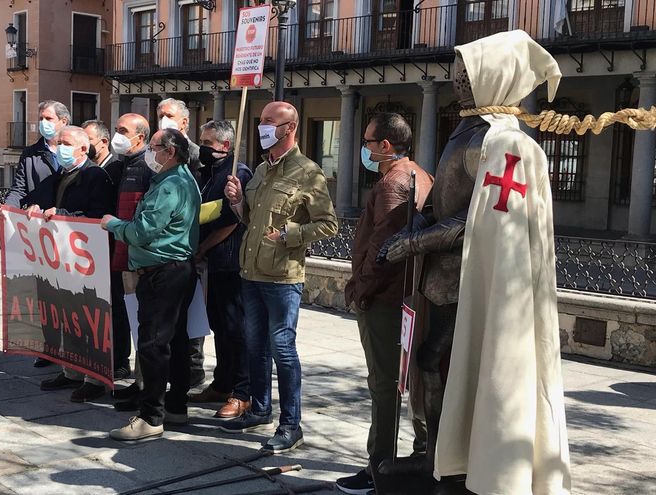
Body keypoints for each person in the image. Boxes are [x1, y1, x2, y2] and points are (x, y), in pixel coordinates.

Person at [383, 30, 572, 494]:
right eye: (458, 70)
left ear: (497, 75)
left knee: (452, 364)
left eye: (470, 71)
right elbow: (449, 202)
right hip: (444, 276)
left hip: (475, 277)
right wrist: (419, 221)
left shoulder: (505, 142)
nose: (458, 79)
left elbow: (481, 223)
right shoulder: (466, 129)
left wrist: (415, 243)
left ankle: (462, 463)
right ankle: (437, 455)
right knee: (432, 363)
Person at [221, 101, 337, 454]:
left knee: (282, 349)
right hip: (251, 272)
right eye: (260, 122)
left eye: (270, 122)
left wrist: (289, 235)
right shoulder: (260, 169)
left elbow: (328, 224)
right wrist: (239, 202)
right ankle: (259, 408)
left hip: (283, 278)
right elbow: (250, 220)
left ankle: (291, 425)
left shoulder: (308, 171)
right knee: (254, 346)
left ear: (290, 128)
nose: (262, 127)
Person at [336, 113, 434, 494]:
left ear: (386, 146)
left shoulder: (394, 183)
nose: (365, 148)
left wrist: (360, 288)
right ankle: (420, 458)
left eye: (368, 142)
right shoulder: (418, 175)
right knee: (412, 384)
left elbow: (384, 249)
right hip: (409, 297)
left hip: (386, 300)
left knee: (384, 383)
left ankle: (380, 469)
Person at [104, 128, 201, 441]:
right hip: (174, 269)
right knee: (175, 341)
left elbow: (141, 231)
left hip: (163, 272)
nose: (149, 151)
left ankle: (150, 417)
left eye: (154, 146)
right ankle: (175, 406)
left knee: (153, 345)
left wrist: (113, 224)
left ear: (169, 152)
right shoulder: (180, 179)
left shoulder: (171, 184)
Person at [25, 125, 114, 397]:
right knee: (68, 318)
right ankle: (72, 372)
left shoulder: (95, 176)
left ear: (83, 149)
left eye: (65, 143)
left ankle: (95, 380)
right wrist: (35, 207)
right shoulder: (60, 174)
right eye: (58, 143)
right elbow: (39, 200)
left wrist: (62, 213)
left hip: (86, 260)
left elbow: (98, 214)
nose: (59, 148)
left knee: (89, 320)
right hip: (61, 259)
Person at [187, 120, 254, 419]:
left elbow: (231, 220)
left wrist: (203, 248)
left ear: (225, 146)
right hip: (211, 265)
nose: (202, 146)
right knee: (219, 327)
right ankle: (222, 383)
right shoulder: (206, 172)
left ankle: (242, 392)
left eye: (207, 141)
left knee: (235, 329)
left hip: (230, 262)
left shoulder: (237, 173)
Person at [3, 100, 71, 368]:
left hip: (69, 233)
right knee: (45, 293)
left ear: (63, 121)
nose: (43, 122)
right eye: (41, 117)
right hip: (40, 234)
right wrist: (9, 207)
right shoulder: (31, 153)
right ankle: (50, 348)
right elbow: (19, 187)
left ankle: (74, 347)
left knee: (72, 294)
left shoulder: (75, 147)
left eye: (48, 117)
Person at [73, 120, 132, 393]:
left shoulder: (114, 169)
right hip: (94, 252)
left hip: (113, 249)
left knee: (117, 307)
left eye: (89, 141)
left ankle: (119, 360)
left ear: (103, 142)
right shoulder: (91, 170)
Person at [157, 97, 205, 388]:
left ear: (185, 122)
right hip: (162, 251)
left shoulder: (196, 154)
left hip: (187, 246)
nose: (163, 119)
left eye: (169, 115)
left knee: (192, 315)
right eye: (160, 114)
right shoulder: (157, 151)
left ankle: (193, 368)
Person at [107, 113, 153, 412]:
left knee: (145, 329)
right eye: (116, 129)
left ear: (140, 137)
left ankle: (145, 388)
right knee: (134, 325)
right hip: (123, 256)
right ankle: (138, 384)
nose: (117, 135)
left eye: (123, 130)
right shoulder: (119, 166)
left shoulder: (149, 168)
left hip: (139, 260)